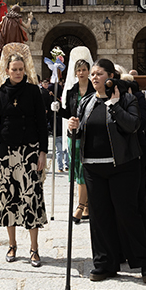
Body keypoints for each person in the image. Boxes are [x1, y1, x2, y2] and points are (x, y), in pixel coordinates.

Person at [67, 58, 146, 283]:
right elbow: (80, 133)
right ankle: (104, 263)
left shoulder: (127, 99)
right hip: (93, 168)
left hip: (123, 167)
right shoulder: (86, 102)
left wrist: (115, 105)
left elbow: (133, 126)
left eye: (99, 73)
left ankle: (145, 262)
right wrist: (72, 130)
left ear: (110, 77)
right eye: (93, 74)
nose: (94, 77)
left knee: (128, 215)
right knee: (99, 218)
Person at [0, 45, 48, 268]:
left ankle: (34, 248)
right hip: (4, 152)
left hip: (28, 151)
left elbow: (41, 124)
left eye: (21, 69)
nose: (18, 73)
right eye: (14, 69)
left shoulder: (34, 92)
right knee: (9, 199)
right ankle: (12, 244)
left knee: (31, 199)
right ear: (7, 71)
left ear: (25, 70)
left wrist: (42, 153)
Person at [60, 50, 95, 224]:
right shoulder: (72, 90)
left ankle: (80, 207)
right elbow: (67, 112)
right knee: (76, 168)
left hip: (90, 133)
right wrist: (57, 108)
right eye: (78, 70)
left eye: (84, 69)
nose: (81, 72)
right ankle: (87, 205)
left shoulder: (94, 89)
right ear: (75, 72)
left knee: (84, 169)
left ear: (89, 71)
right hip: (74, 134)